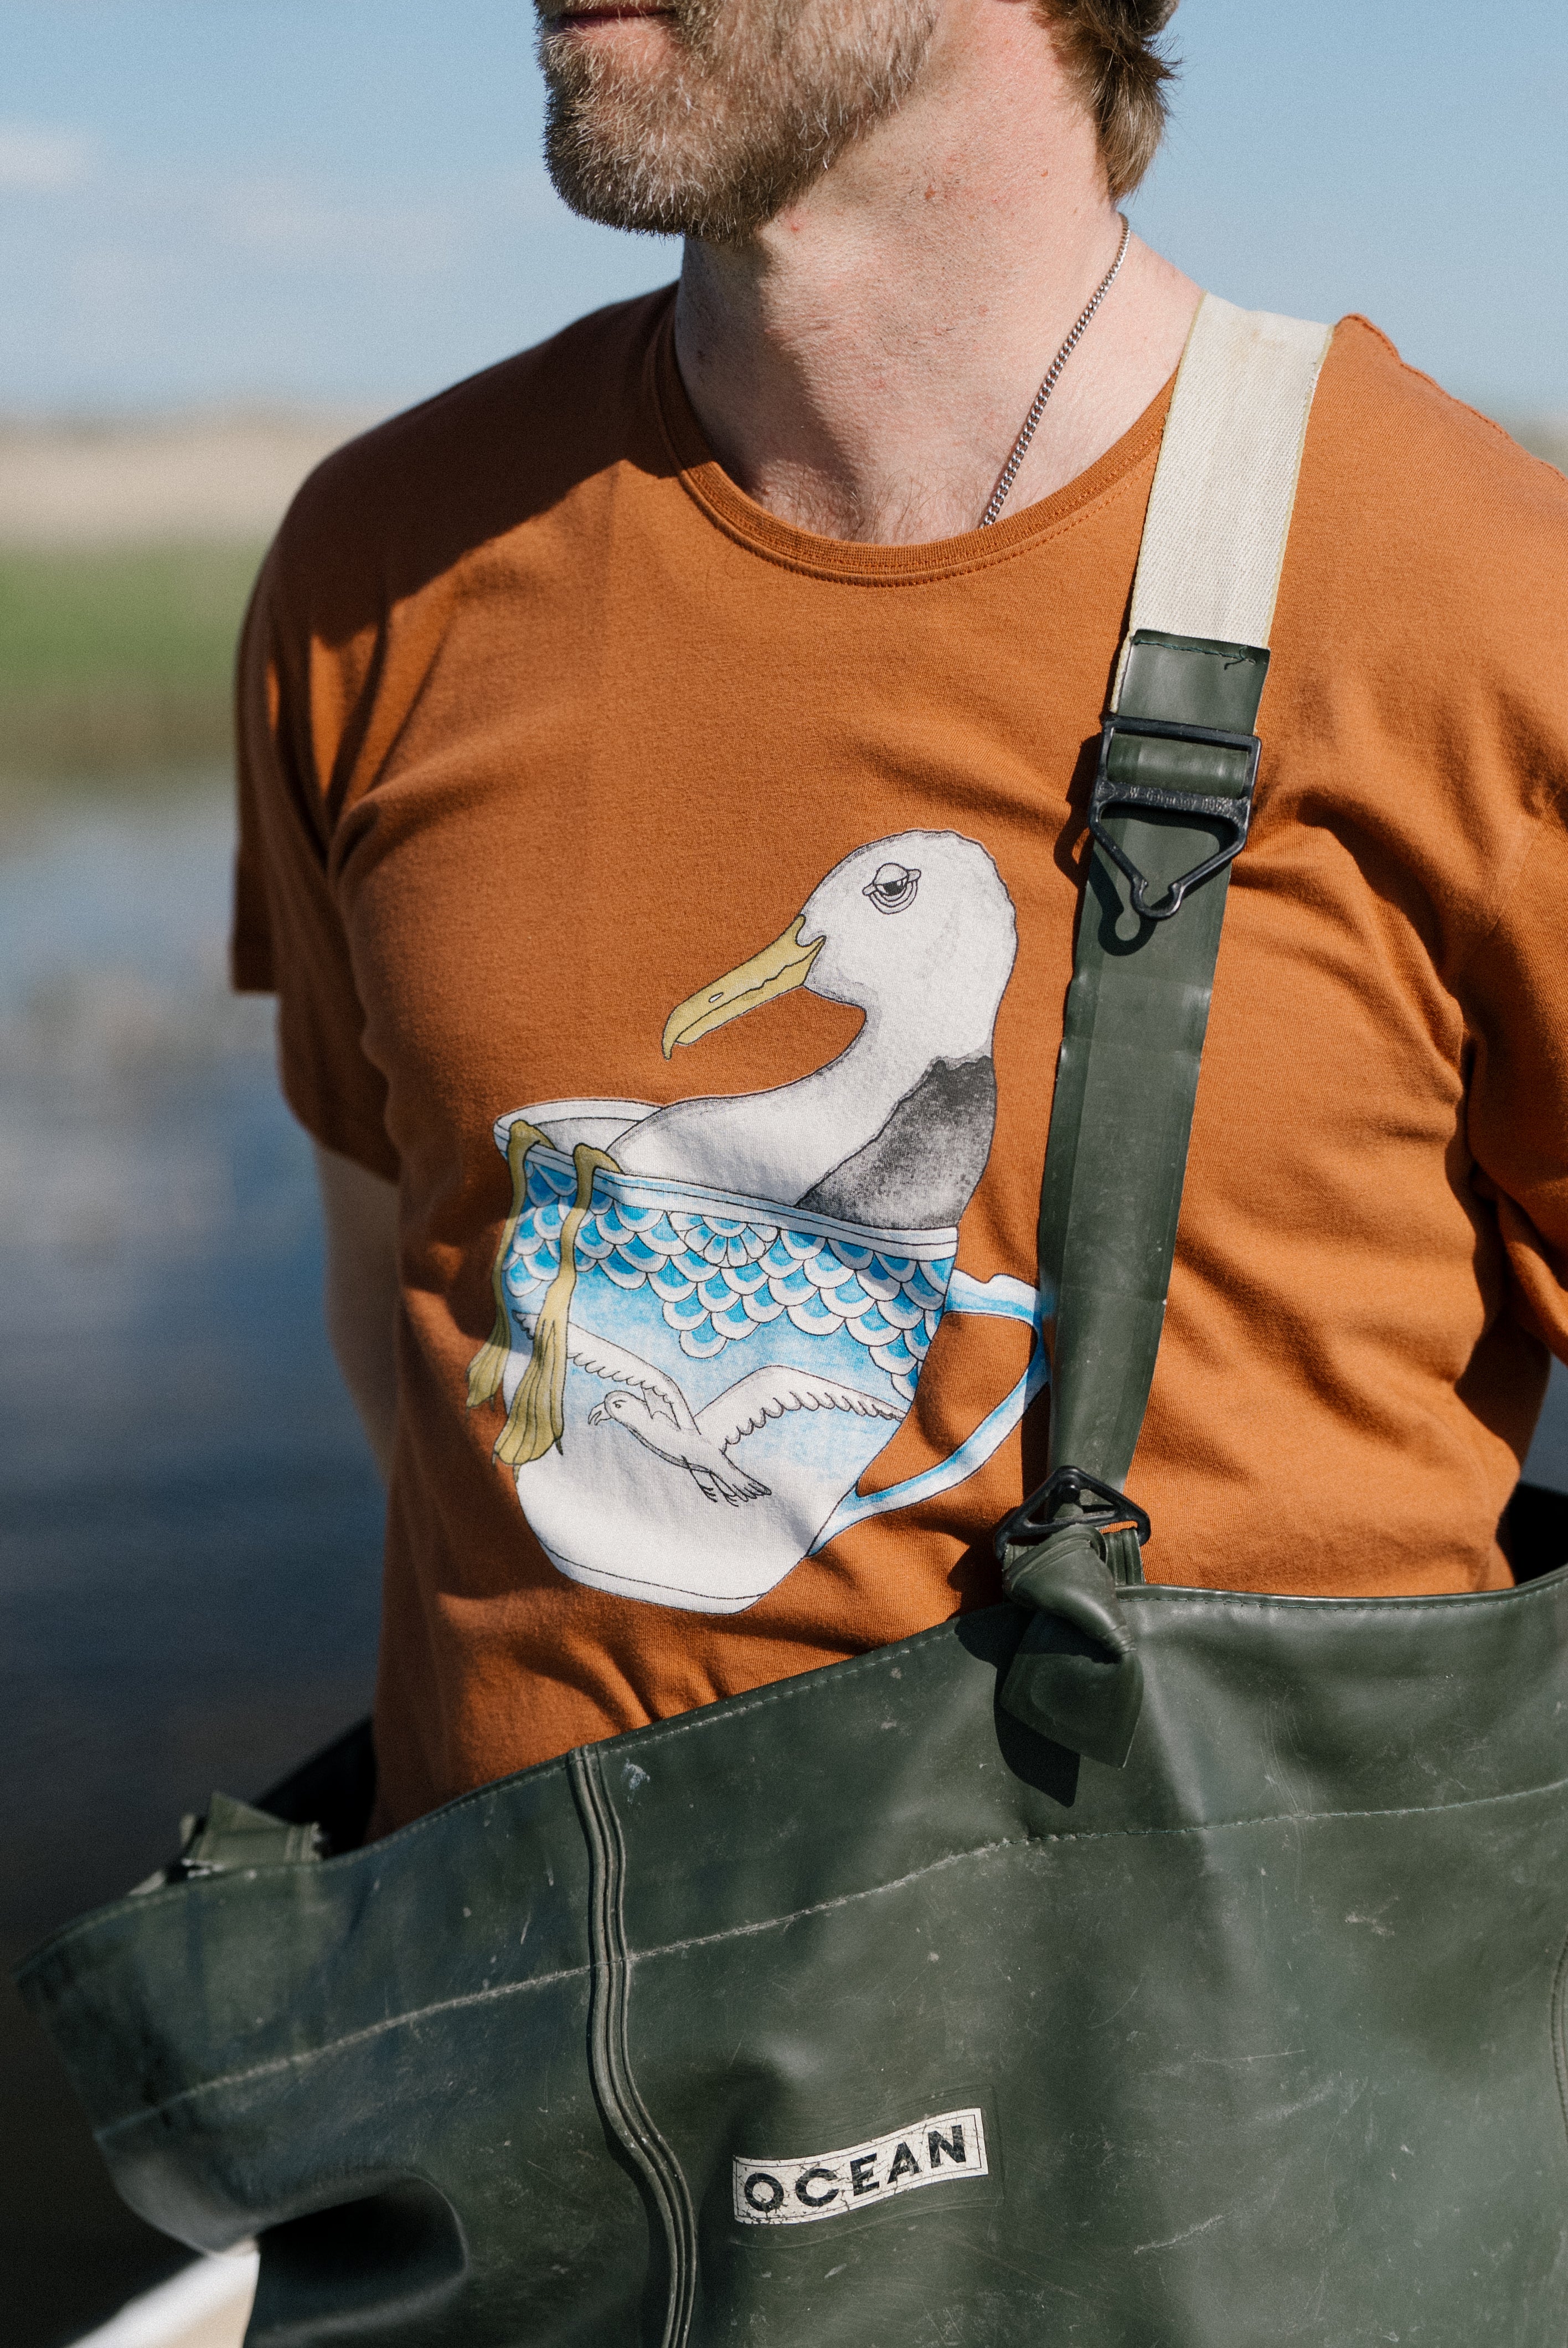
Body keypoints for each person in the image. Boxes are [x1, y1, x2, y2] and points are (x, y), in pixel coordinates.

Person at [234, 0, 1568, 1840]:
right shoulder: (380, 566)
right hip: (508, 2004)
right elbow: (404, 1320)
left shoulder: (1486, 600)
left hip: (1245, 2005)